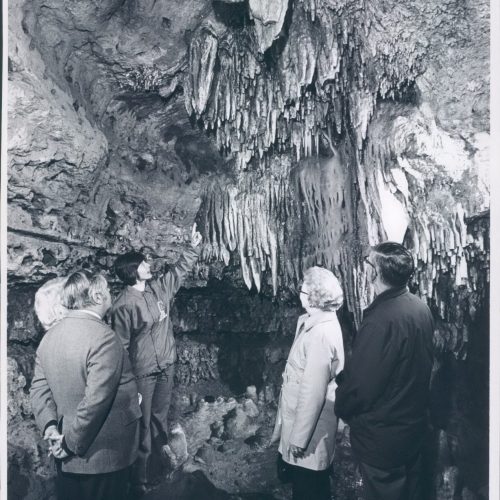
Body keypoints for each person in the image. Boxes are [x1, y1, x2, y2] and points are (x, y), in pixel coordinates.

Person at [335, 242, 434, 500]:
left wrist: (342, 407)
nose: (365, 267)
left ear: (373, 273)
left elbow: (362, 388)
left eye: (368, 263)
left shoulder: (380, 321)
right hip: (412, 431)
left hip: (383, 439)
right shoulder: (420, 308)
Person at [30, 271, 142, 500]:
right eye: (109, 291)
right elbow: (96, 401)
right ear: (98, 297)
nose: (112, 294)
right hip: (103, 456)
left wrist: (51, 428)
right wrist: (69, 444)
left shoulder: (48, 338)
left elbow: (39, 390)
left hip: (66, 457)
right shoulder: (104, 337)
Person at [110, 223, 202, 493]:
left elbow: (179, 271)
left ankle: (160, 471)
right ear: (131, 271)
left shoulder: (159, 289)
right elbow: (120, 348)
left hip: (165, 367)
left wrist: (192, 247)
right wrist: (126, 385)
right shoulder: (122, 306)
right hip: (142, 373)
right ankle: (140, 480)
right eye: (142, 263)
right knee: (141, 425)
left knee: (159, 420)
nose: (148, 265)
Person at [270, 266, 345, 500]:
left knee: (309, 488)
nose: (299, 292)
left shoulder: (320, 335)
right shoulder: (312, 323)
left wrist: (299, 439)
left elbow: (313, 392)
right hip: (304, 423)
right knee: (307, 485)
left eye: (304, 289)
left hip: (311, 432)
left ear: (314, 297)